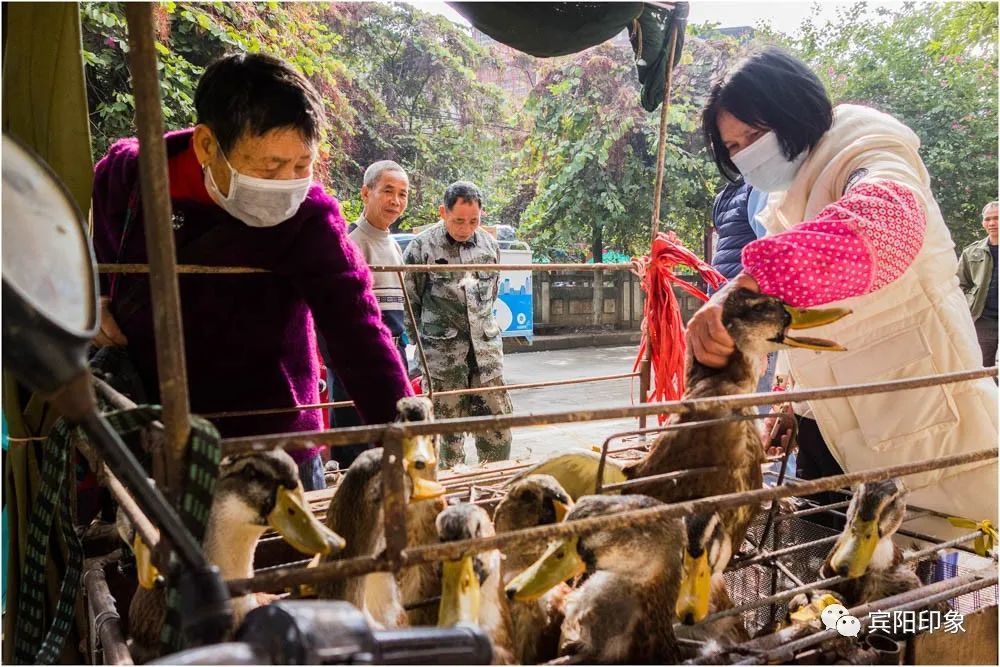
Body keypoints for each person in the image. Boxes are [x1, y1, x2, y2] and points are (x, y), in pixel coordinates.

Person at [688, 47, 997, 536]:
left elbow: (884, 225)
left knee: (930, 584)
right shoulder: (783, 201)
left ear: (796, 108)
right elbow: (805, 306)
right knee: (833, 580)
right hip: (830, 428)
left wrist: (749, 285)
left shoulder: (868, 149)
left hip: (923, 424)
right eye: (734, 147)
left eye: (755, 134)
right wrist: (795, 401)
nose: (747, 153)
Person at [90, 53, 411, 490]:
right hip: (155, 435)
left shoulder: (311, 220)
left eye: (301, 165)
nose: (286, 183)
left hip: (275, 446)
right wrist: (99, 296)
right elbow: (101, 244)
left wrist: (410, 446)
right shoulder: (131, 177)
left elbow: (359, 334)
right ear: (207, 145)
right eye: (269, 166)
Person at [402, 181, 512, 467]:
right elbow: (410, 304)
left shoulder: (489, 246)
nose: (466, 228)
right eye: (458, 220)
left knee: (498, 434)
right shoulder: (421, 248)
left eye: (474, 220)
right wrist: (424, 350)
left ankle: (490, 490)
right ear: (443, 212)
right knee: (445, 445)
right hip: (443, 363)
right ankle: (450, 501)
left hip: (486, 361)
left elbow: (491, 298)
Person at [321, 160, 410, 466]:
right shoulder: (350, 242)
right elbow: (330, 312)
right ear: (365, 193)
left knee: (390, 443)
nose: (396, 201)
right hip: (356, 360)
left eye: (403, 193)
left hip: (391, 353)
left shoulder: (393, 244)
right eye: (388, 191)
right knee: (355, 449)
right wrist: (343, 364)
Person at [957, 201, 999, 368]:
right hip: (983, 319)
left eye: (997, 218)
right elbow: (959, 284)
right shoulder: (971, 252)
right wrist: (971, 301)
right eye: (988, 219)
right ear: (983, 223)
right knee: (982, 369)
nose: (992, 223)